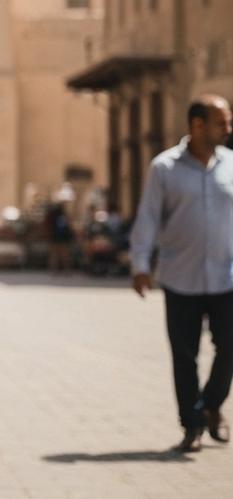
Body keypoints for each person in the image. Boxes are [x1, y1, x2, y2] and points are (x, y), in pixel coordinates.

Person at [129, 95, 233, 453]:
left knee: (230, 347)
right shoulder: (164, 168)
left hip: (227, 277)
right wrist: (141, 266)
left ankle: (209, 405)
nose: (229, 129)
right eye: (222, 122)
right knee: (184, 356)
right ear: (198, 125)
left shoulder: (232, 165)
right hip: (181, 277)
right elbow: (148, 218)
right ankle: (192, 426)